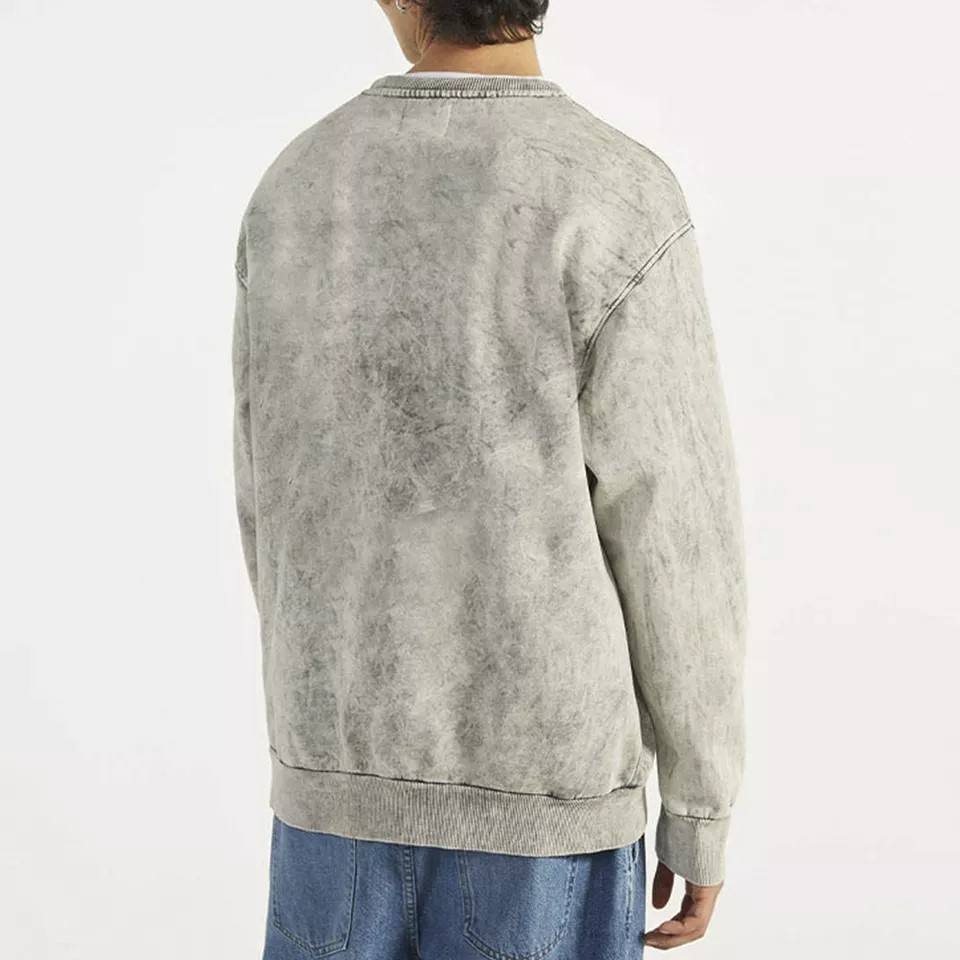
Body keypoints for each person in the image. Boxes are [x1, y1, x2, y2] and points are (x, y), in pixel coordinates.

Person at [231, 1, 748, 956]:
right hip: (543, 796)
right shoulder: (614, 193)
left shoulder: (297, 185)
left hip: (331, 786)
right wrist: (700, 804)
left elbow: (268, 491)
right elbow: (676, 532)